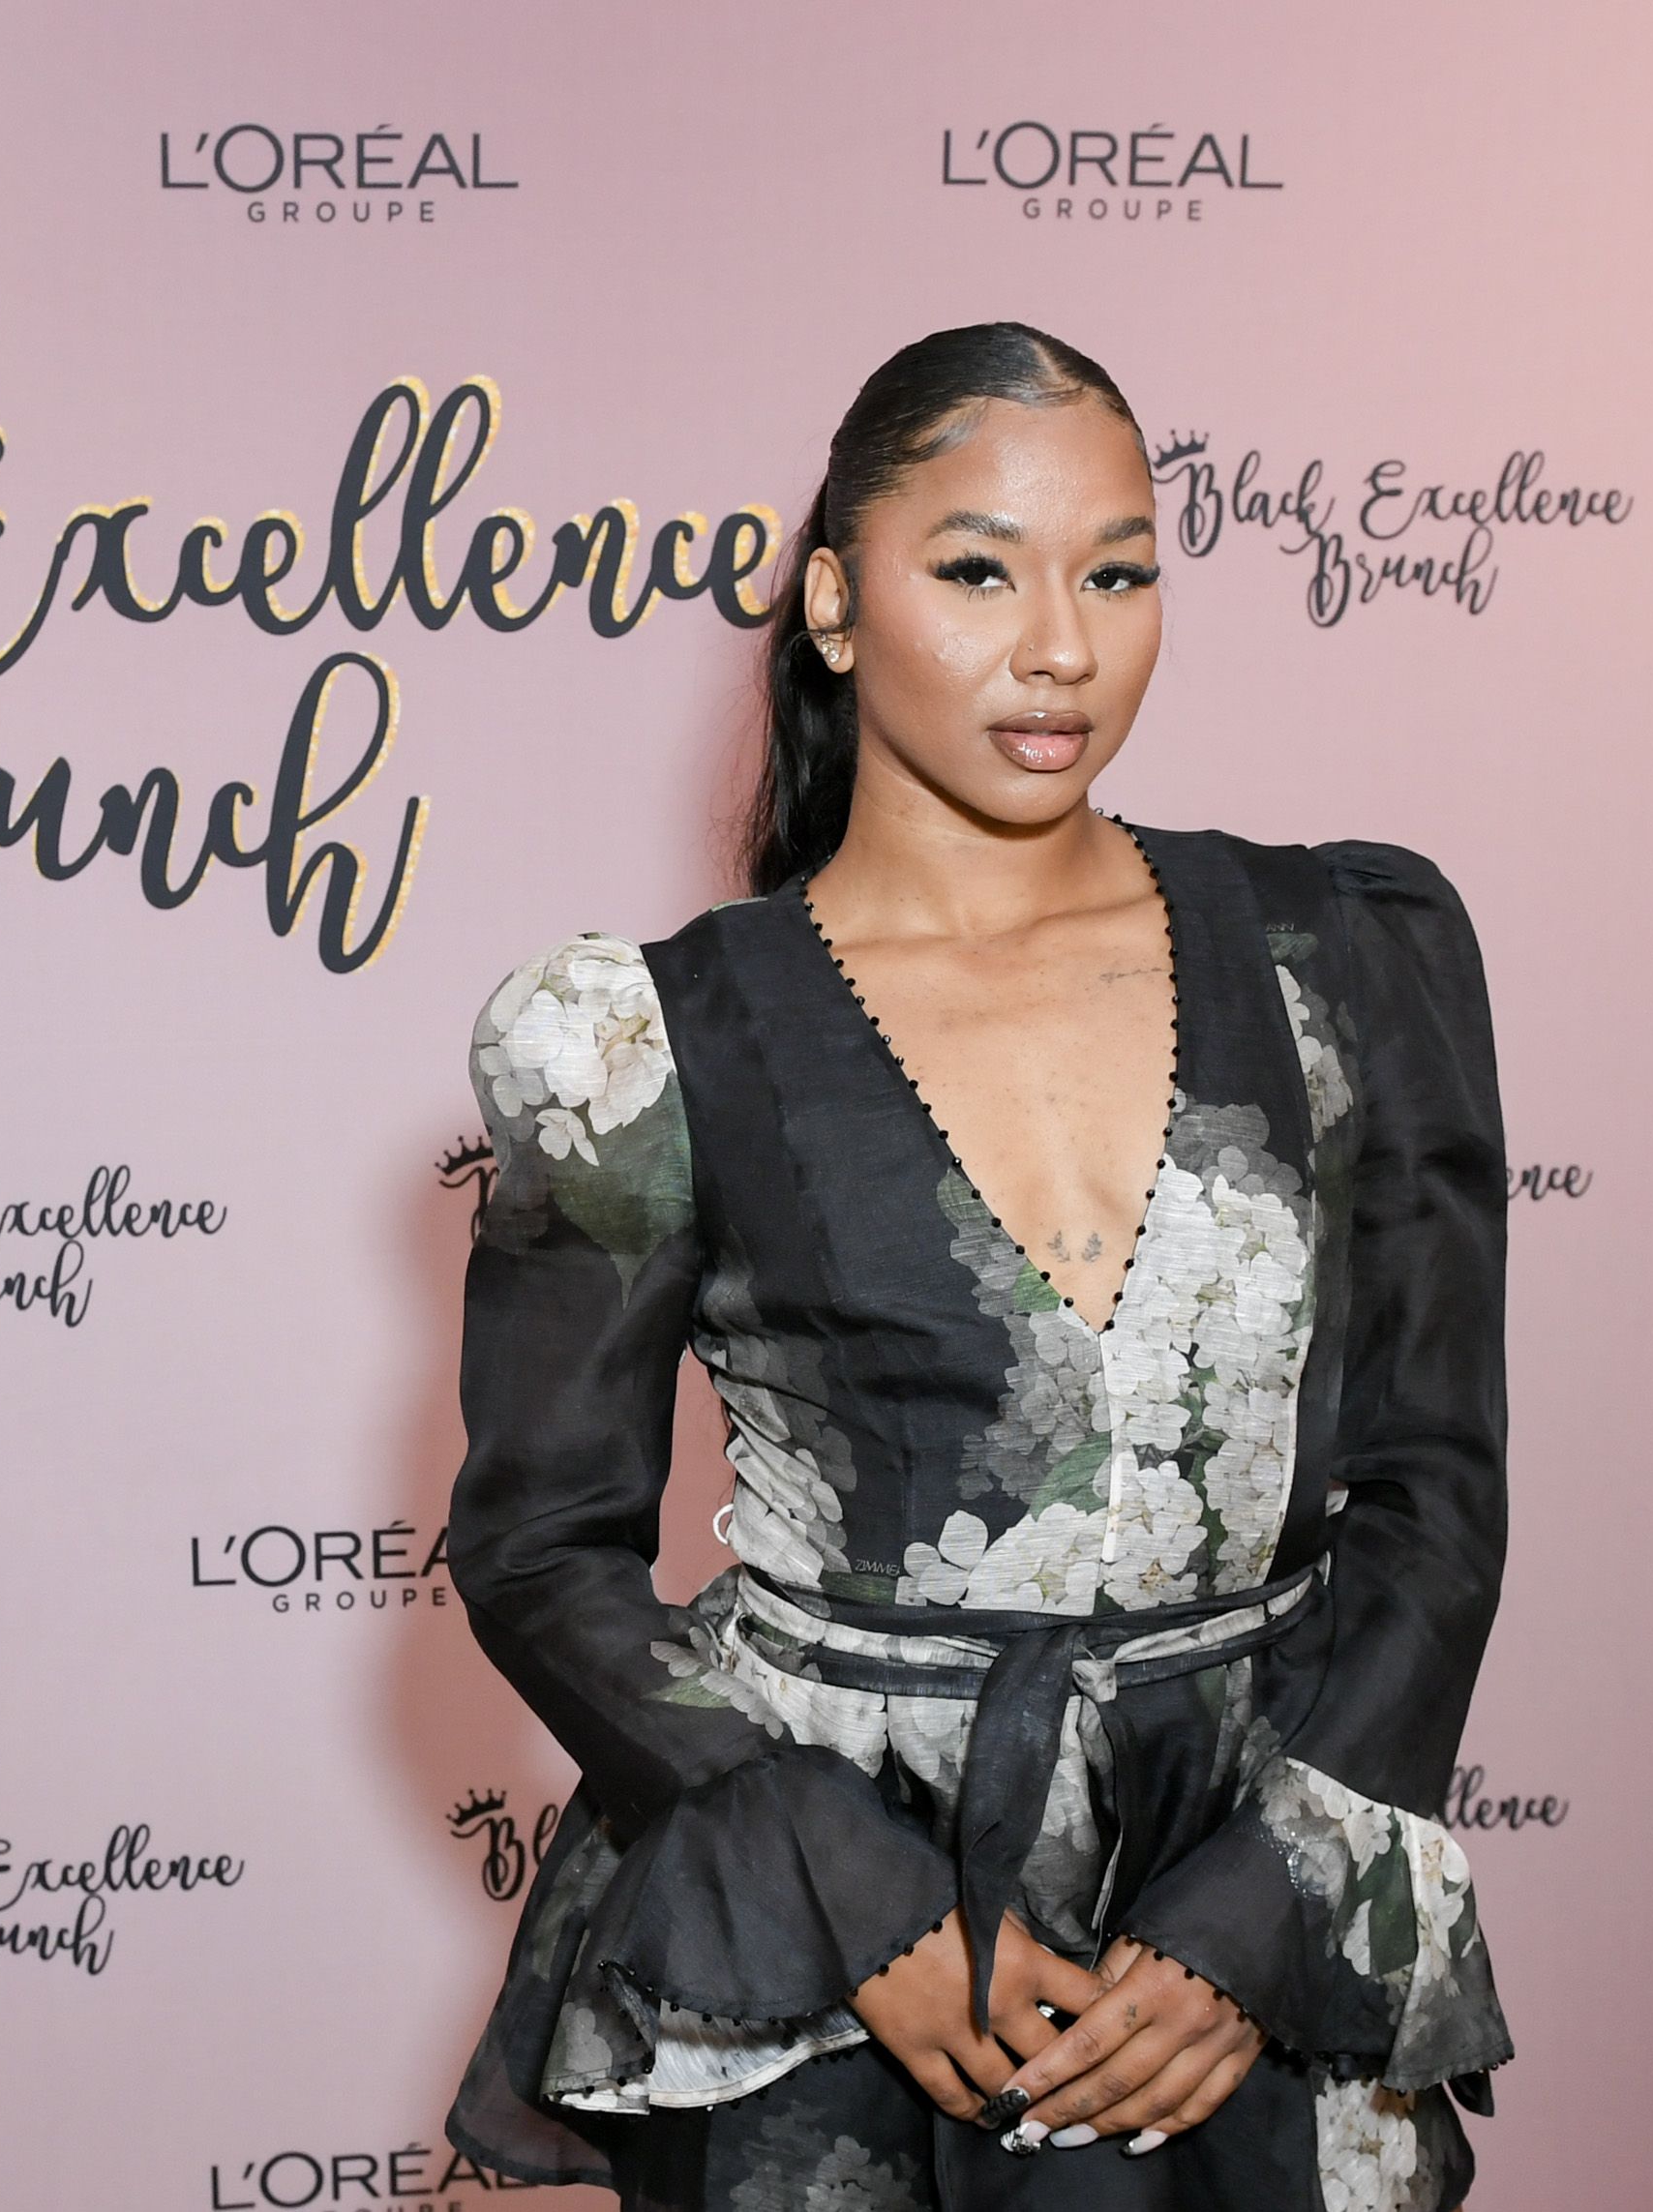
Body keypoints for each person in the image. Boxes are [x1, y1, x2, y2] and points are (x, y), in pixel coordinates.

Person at [440, 322, 1511, 2212]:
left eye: (1117, 571)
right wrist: (839, 1885)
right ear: (838, 605)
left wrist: (1259, 1910)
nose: (1063, 649)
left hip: (1247, 1863)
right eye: (979, 570)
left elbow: (1433, 1493)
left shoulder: (1346, 954)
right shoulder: (640, 1044)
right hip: (844, 1915)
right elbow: (541, 1545)